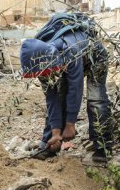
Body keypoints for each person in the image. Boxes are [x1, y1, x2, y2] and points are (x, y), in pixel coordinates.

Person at [20, 13, 113, 162]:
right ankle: (50, 142)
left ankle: (103, 147)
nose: (42, 76)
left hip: (95, 58)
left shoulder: (71, 51)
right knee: (59, 95)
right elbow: (52, 98)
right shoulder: (39, 64)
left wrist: (70, 124)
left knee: (96, 100)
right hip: (63, 62)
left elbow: (75, 90)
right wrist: (56, 131)